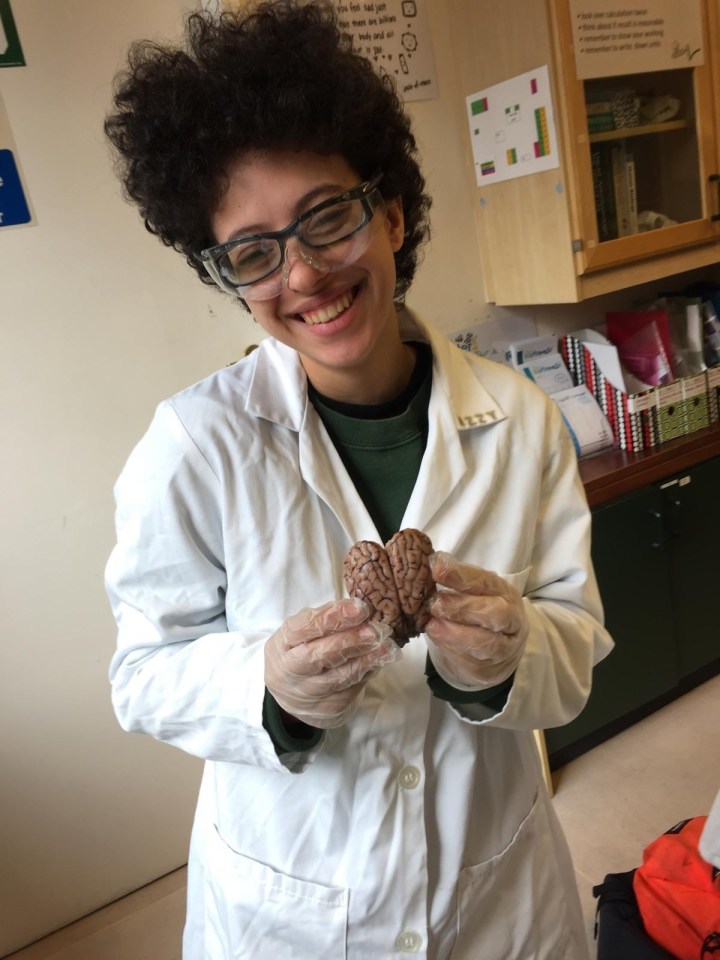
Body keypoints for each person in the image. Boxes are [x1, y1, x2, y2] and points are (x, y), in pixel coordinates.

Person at [103, 3, 614, 957]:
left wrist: (511, 658)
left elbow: (576, 643)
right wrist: (267, 684)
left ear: (391, 212)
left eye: (327, 217)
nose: (303, 274)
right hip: (289, 905)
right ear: (225, 269)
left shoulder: (522, 419)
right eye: (253, 251)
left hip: (493, 893)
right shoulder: (195, 444)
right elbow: (142, 674)